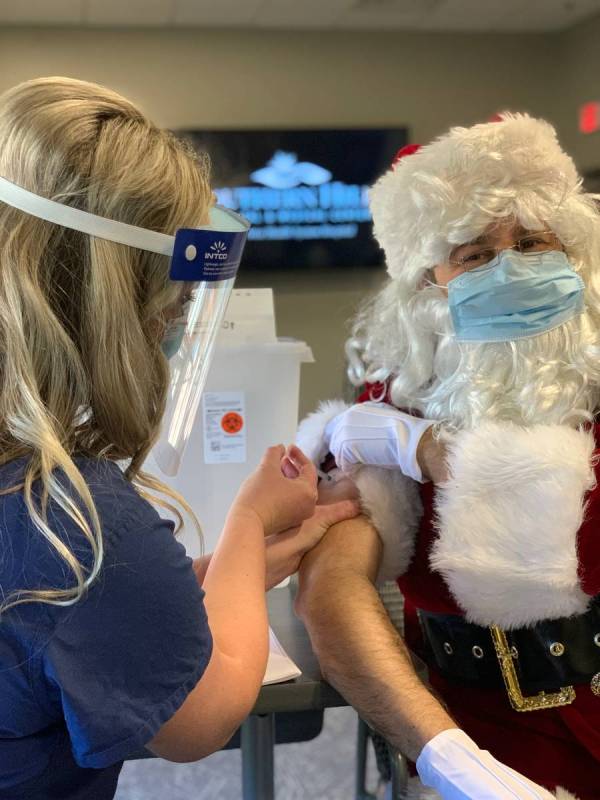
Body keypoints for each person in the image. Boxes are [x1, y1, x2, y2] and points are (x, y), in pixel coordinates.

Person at [0, 76, 359, 800]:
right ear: (112, 307)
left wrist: (229, 569)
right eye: (173, 307)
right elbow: (201, 717)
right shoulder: (75, 523)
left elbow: (73, 630)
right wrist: (252, 524)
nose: (171, 329)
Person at [295, 114, 600, 799]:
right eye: (476, 255)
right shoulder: (400, 393)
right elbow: (332, 586)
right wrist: (453, 761)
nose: (513, 271)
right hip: (462, 726)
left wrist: (426, 453)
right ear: (428, 285)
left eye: (531, 243)